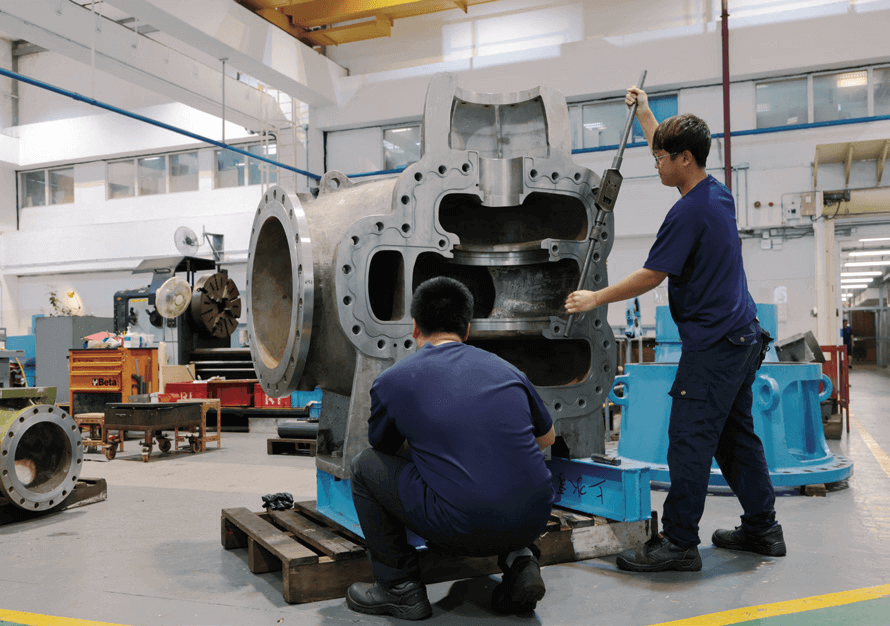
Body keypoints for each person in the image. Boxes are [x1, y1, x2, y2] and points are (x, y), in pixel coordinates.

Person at [564, 87, 785, 573]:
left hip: (715, 346)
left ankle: (679, 543)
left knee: (688, 440)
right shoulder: (715, 192)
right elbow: (666, 147)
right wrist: (646, 113)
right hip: (743, 337)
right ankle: (763, 529)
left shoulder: (687, 213)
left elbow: (652, 275)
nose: (655, 164)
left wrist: (594, 298)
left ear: (684, 159)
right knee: (735, 438)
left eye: (661, 158)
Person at [346, 276, 556, 619]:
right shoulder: (509, 370)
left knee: (363, 466)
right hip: (535, 517)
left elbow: (383, 447)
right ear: (467, 329)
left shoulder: (394, 380)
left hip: (462, 528)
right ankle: (522, 563)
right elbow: (546, 439)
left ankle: (398, 587)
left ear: (415, 327)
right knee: (503, 464)